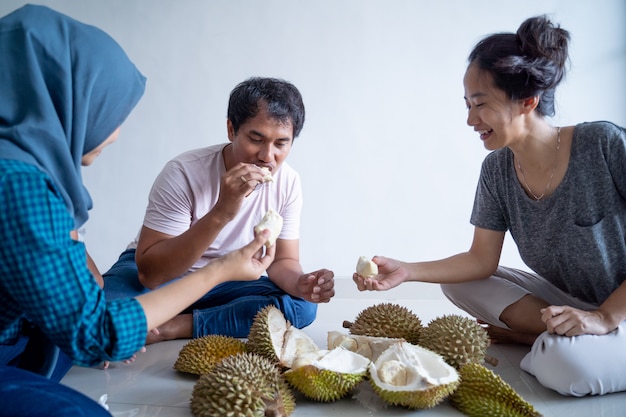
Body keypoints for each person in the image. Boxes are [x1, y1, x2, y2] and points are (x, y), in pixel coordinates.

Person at [0, 5, 275, 416]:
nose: (117, 131)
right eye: (107, 107)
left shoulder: (22, 164)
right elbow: (103, 327)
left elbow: (37, 246)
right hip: (23, 336)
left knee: (292, 304)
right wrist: (222, 267)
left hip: (19, 327)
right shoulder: (19, 183)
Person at [354, 15, 626, 397]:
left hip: (621, 305)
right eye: (467, 105)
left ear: (527, 101)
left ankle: (561, 342)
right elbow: (481, 261)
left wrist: (604, 317)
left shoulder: (603, 143)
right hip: (570, 302)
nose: (470, 119)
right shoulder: (497, 169)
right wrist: (407, 271)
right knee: (459, 284)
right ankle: (562, 334)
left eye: (480, 104)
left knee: (566, 370)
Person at [103, 76, 335, 343]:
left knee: (302, 306)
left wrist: (301, 284)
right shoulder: (184, 172)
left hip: (226, 282)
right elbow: (152, 275)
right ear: (231, 130)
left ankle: (176, 326)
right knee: (104, 319)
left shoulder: (288, 182)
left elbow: (283, 261)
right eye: (256, 139)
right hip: (163, 276)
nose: (267, 156)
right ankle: (154, 316)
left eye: (281, 143)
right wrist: (223, 209)